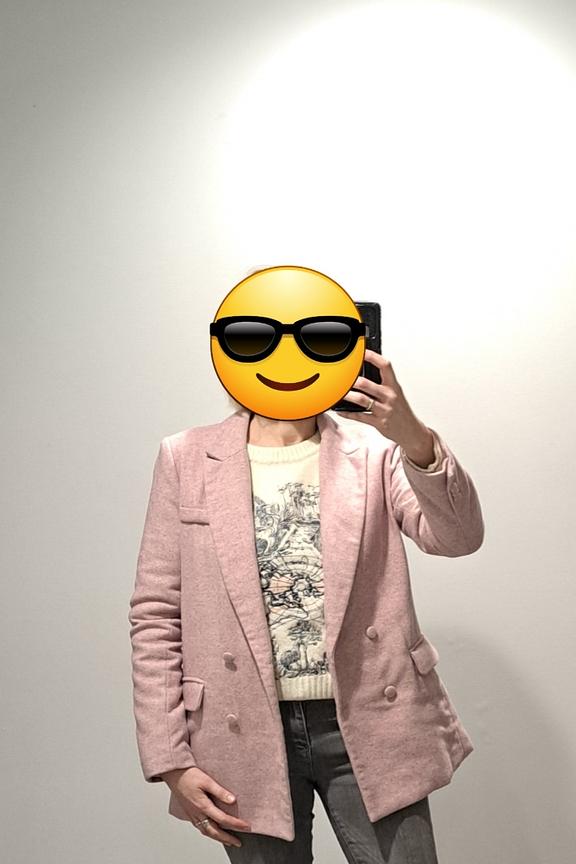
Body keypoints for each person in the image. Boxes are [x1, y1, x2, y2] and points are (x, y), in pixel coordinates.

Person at [128, 350, 484, 864]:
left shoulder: (373, 451)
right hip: (240, 726)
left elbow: (458, 536)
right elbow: (156, 612)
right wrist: (170, 758)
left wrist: (413, 436)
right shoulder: (186, 456)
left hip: (371, 716)